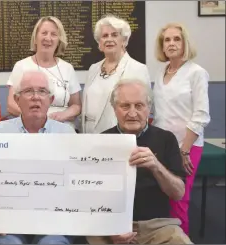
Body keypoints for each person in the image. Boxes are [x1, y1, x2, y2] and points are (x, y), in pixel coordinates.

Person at [87, 79, 191, 244]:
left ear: (149, 108)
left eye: (139, 105)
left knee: (179, 240)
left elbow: (178, 193)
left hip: (158, 227)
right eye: (125, 106)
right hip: (111, 225)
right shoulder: (101, 141)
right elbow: (90, 197)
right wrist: (110, 229)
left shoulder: (166, 139)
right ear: (114, 109)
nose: (132, 113)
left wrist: (156, 167)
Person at [0, 70, 75, 244]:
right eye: (28, 91)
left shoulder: (67, 134)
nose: (36, 97)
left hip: (54, 221)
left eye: (42, 91)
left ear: (50, 100)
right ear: (17, 100)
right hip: (9, 222)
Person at [152, 22, 211, 235]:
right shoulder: (160, 72)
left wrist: (184, 149)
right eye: (167, 40)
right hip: (163, 145)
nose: (171, 43)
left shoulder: (197, 73)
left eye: (176, 39)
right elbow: (159, 113)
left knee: (179, 200)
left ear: (184, 42)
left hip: (187, 146)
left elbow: (201, 115)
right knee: (161, 199)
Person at [6, 16, 81, 130]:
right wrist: (38, 119)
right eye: (44, 33)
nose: (48, 38)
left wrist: (63, 115)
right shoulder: (21, 66)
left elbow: (76, 105)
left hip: (62, 130)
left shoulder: (67, 68)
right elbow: (11, 105)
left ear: (59, 40)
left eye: (53, 34)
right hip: (30, 130)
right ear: (35, 38)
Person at [81, 15, 151, 134]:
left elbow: (144, 109)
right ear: (99, 43)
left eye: (114, 35)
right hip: (88, 133)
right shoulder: (93, 68)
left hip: (119, 133)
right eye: (104, 36)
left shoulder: (138, 69)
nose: (109, 39)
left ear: (123, 40)